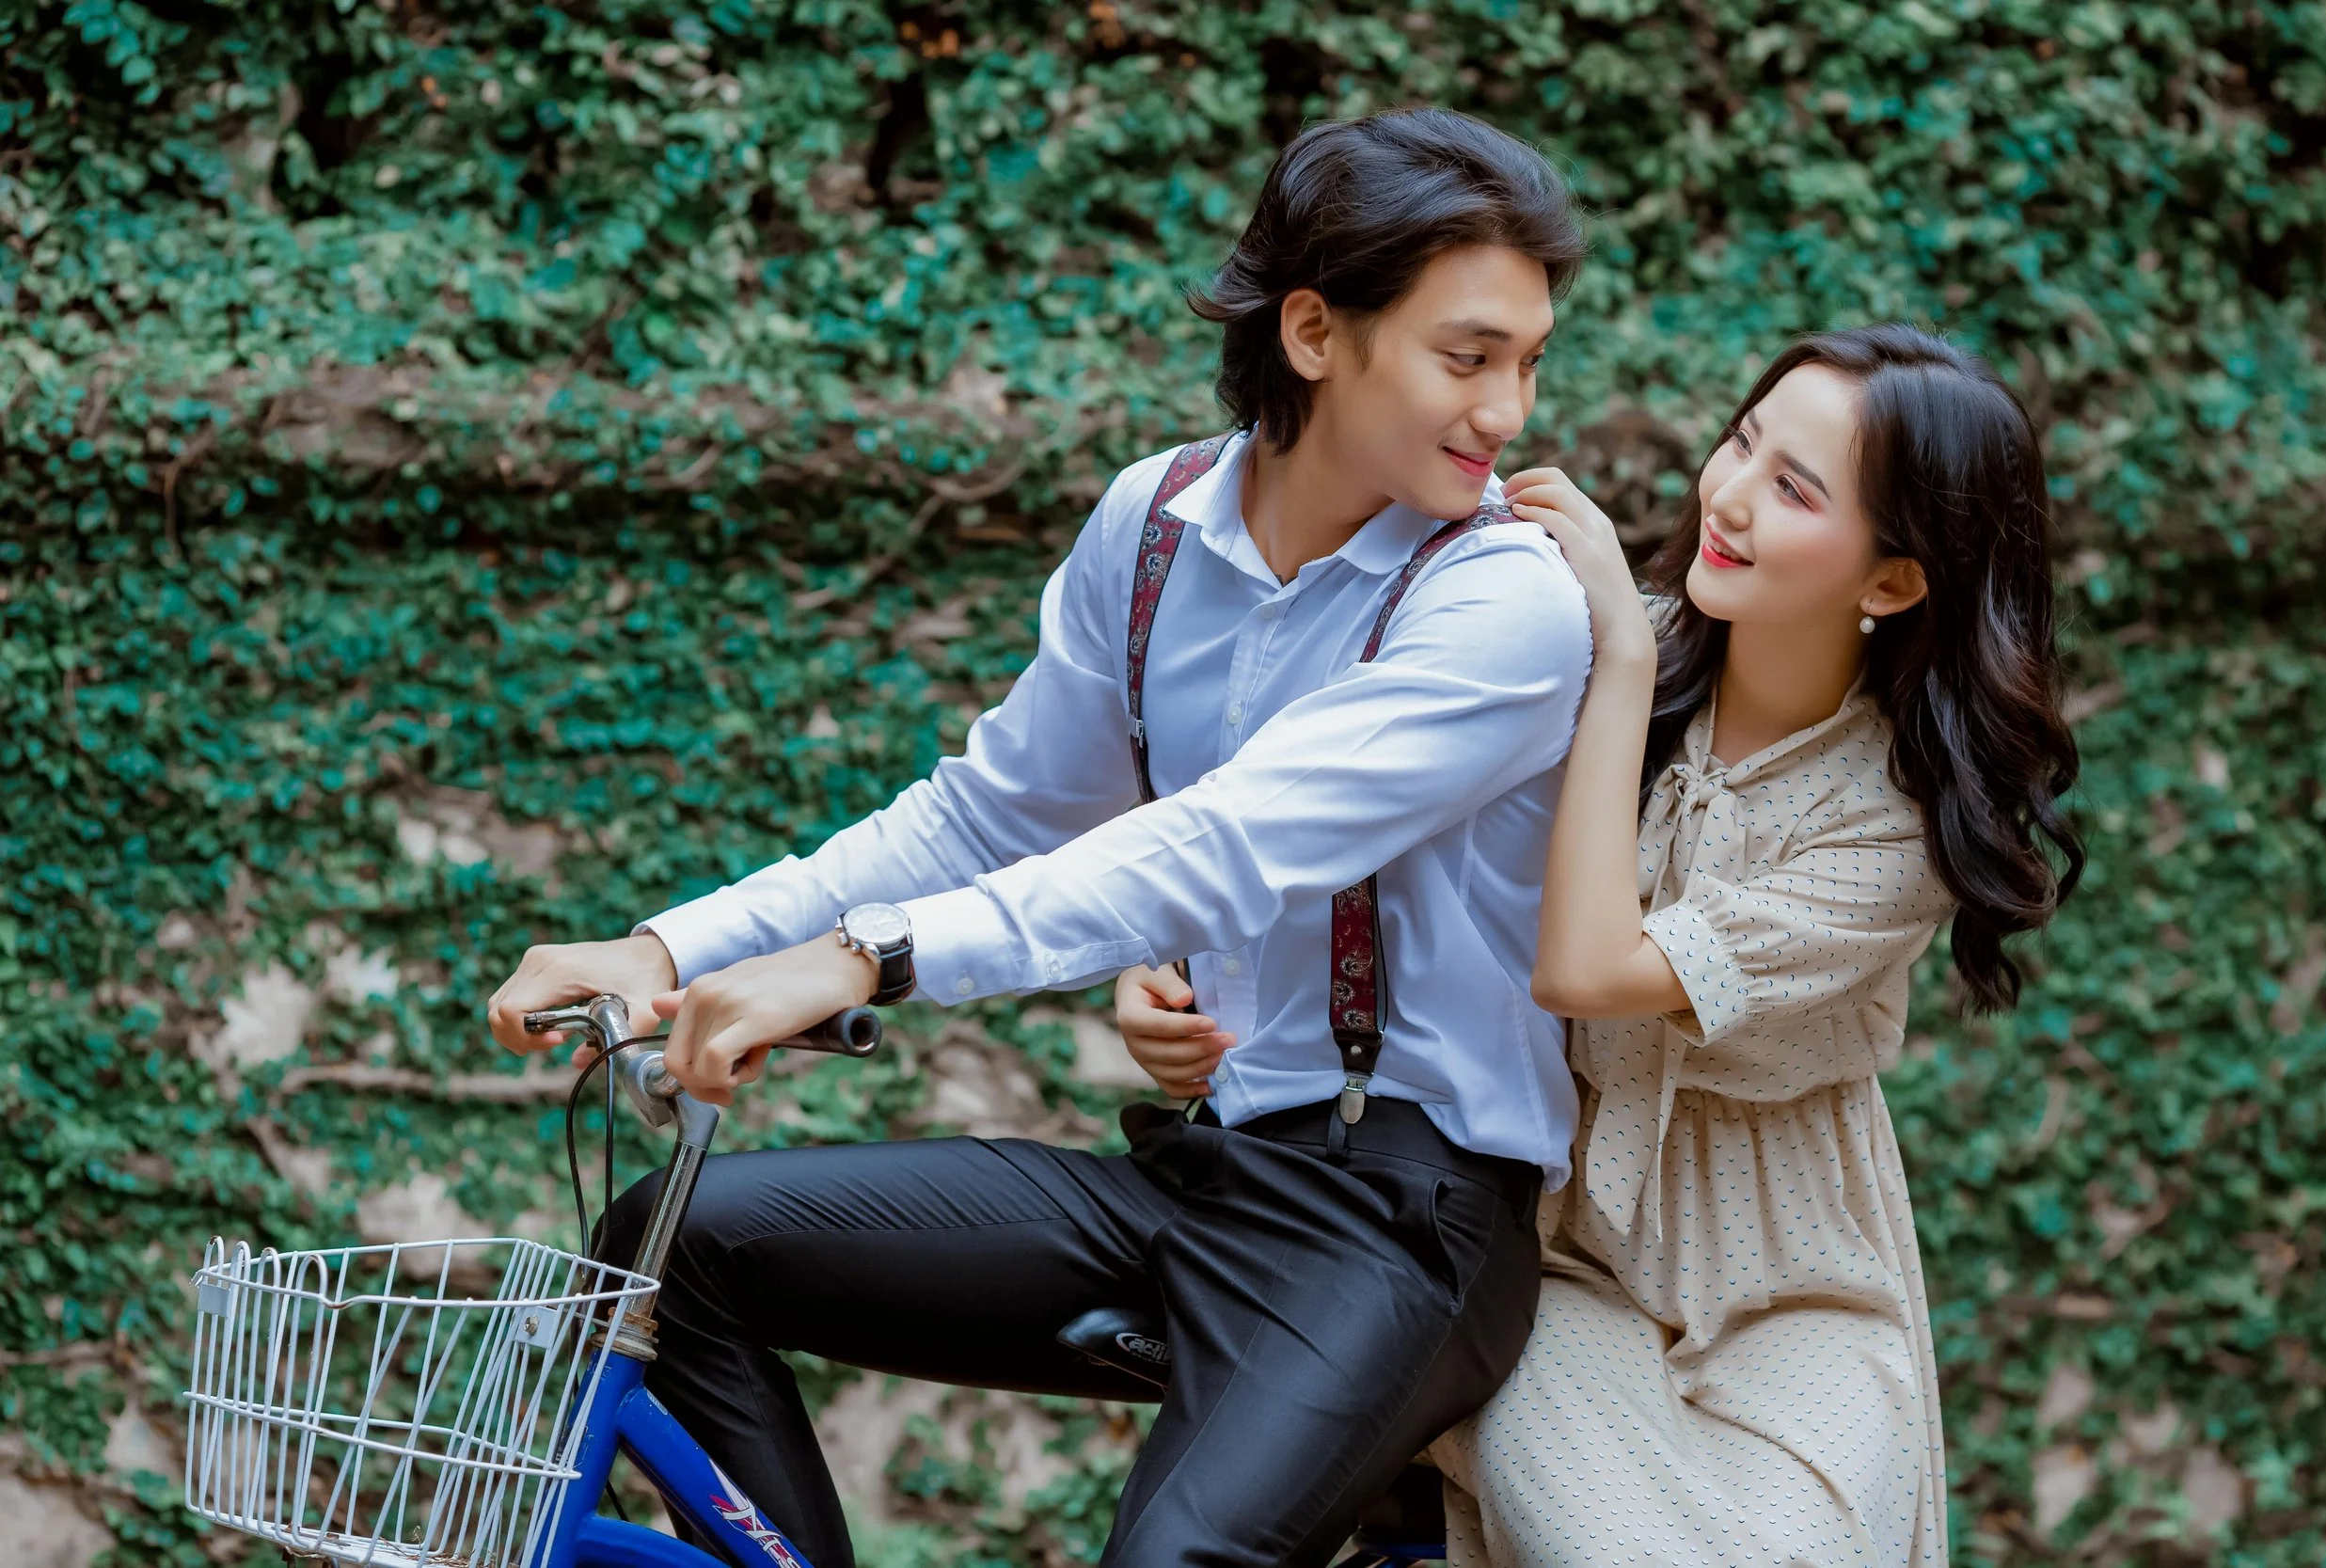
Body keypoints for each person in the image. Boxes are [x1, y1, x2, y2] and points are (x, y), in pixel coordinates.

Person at [486, 107, 1595, 1567]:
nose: (1509, 409)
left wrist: (866, 957)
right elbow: (987, 812)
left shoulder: (1503, 597)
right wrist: (666, 948)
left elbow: (1222, 844)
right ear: (1317, 332)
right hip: (1201, 1171)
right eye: (1470, 357)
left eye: (1528, 361)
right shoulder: (1156, 525)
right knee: (669, 1242)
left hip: (1400, 1223)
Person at [1116, 323, 2083, 1567]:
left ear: (1892, 582)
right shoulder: (1563, 642)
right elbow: (1344, 821)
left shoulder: (1887, 825)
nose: (1730, 494)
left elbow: (1589, 972)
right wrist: (1175, 966)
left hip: (1793, 1293)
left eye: (1795, 489)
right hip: (1545, 1259)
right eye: (1743, 441)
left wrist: (1624, 655)